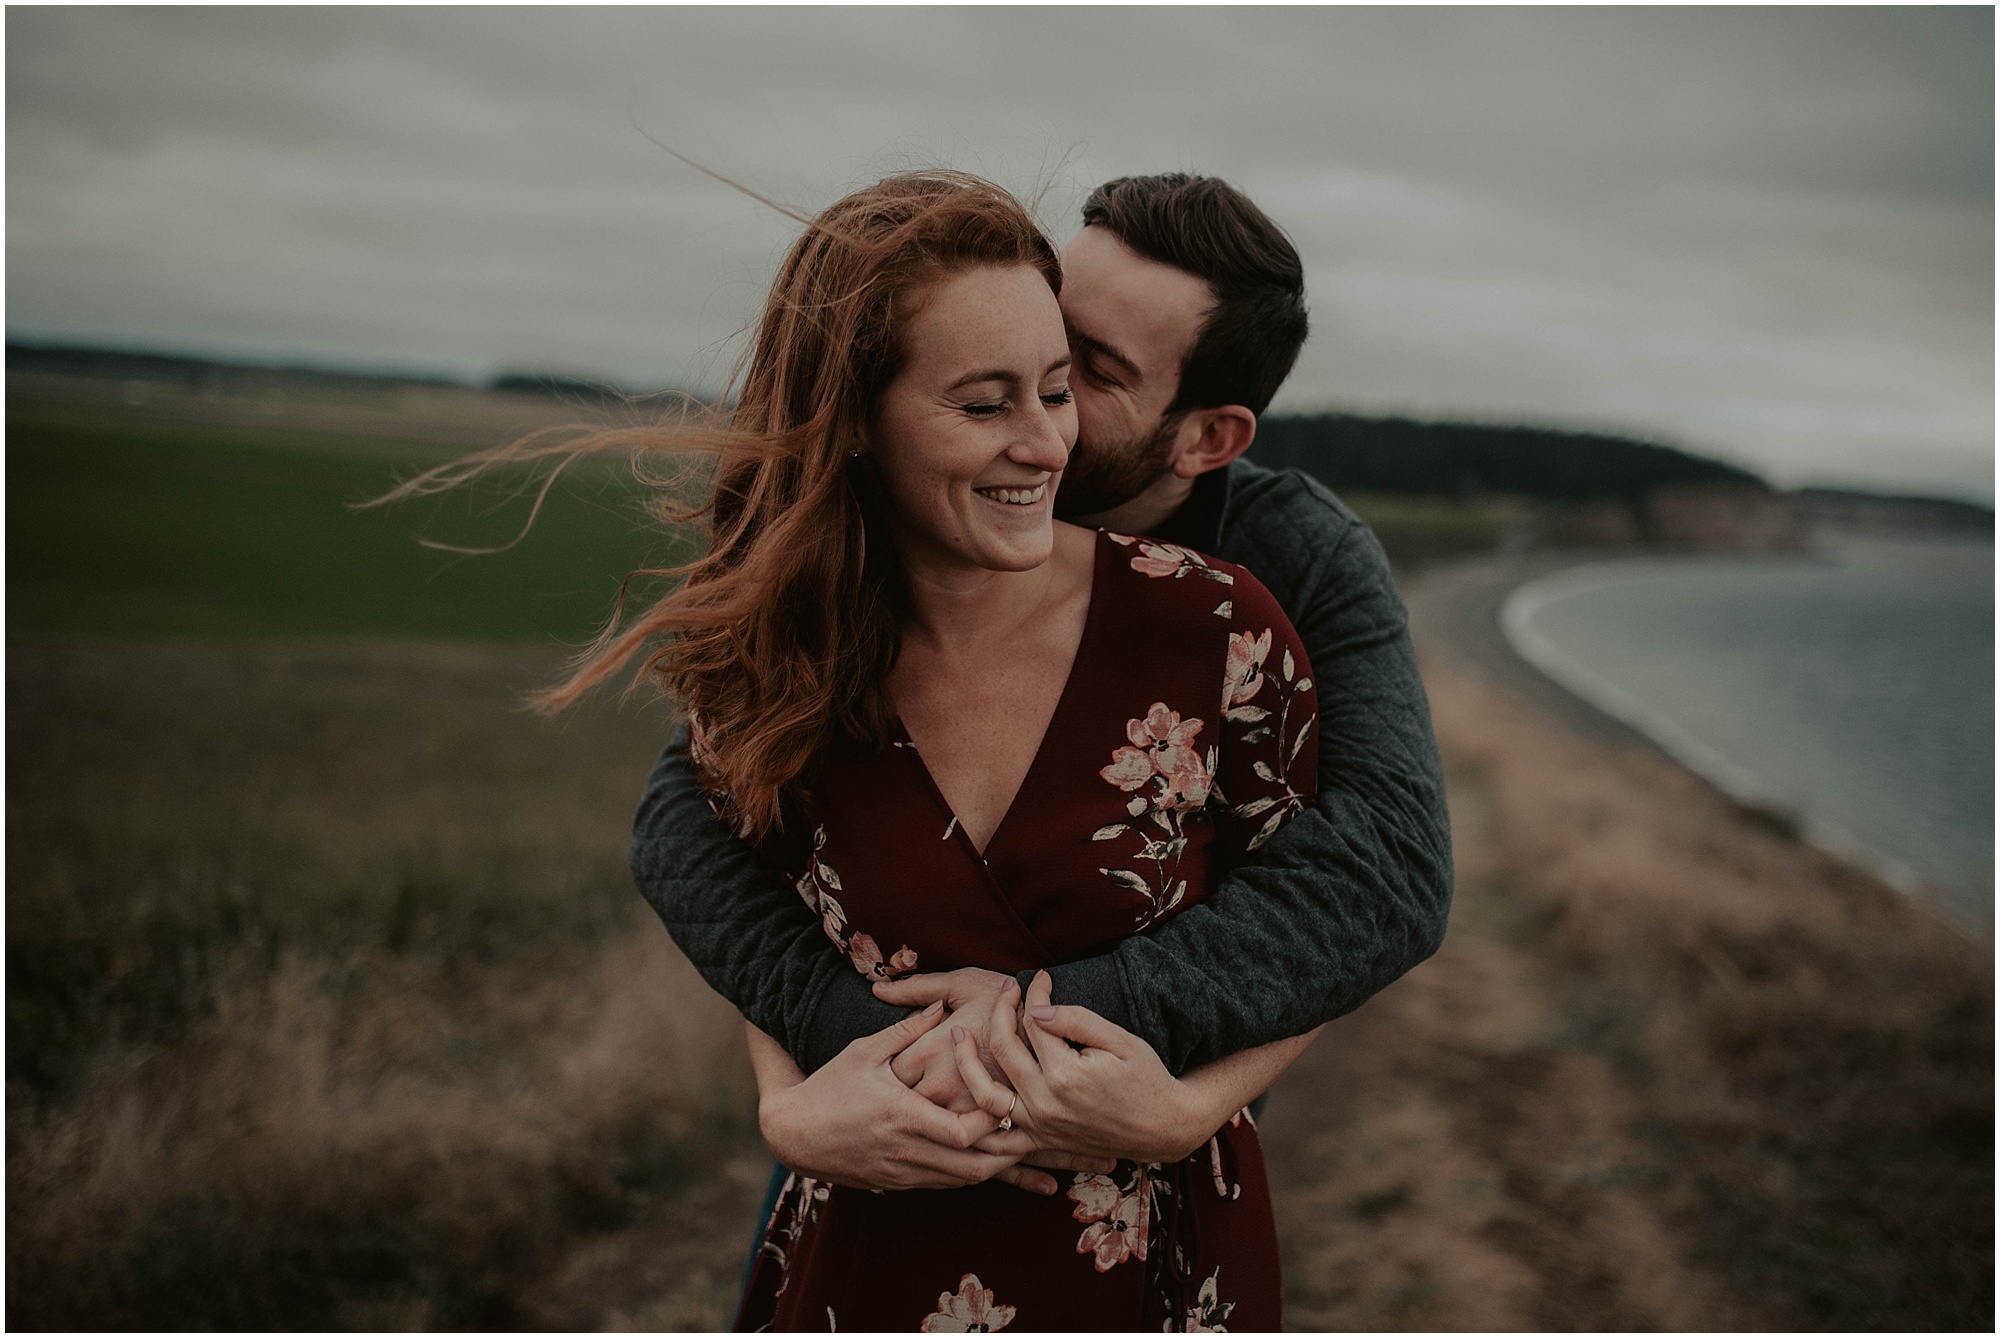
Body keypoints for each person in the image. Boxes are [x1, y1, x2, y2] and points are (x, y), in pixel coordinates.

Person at [634, 173, 1452, 1212]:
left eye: (1080, 374)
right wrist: (820, 1057)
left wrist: (1075, 1048)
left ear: (1206, 440)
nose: (1037, 401)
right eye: (1007, 363)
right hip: (881, 1125)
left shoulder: (1284, 570)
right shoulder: (894, 546)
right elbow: (708, 815)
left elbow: (1381, 876)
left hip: (1123, 1150)